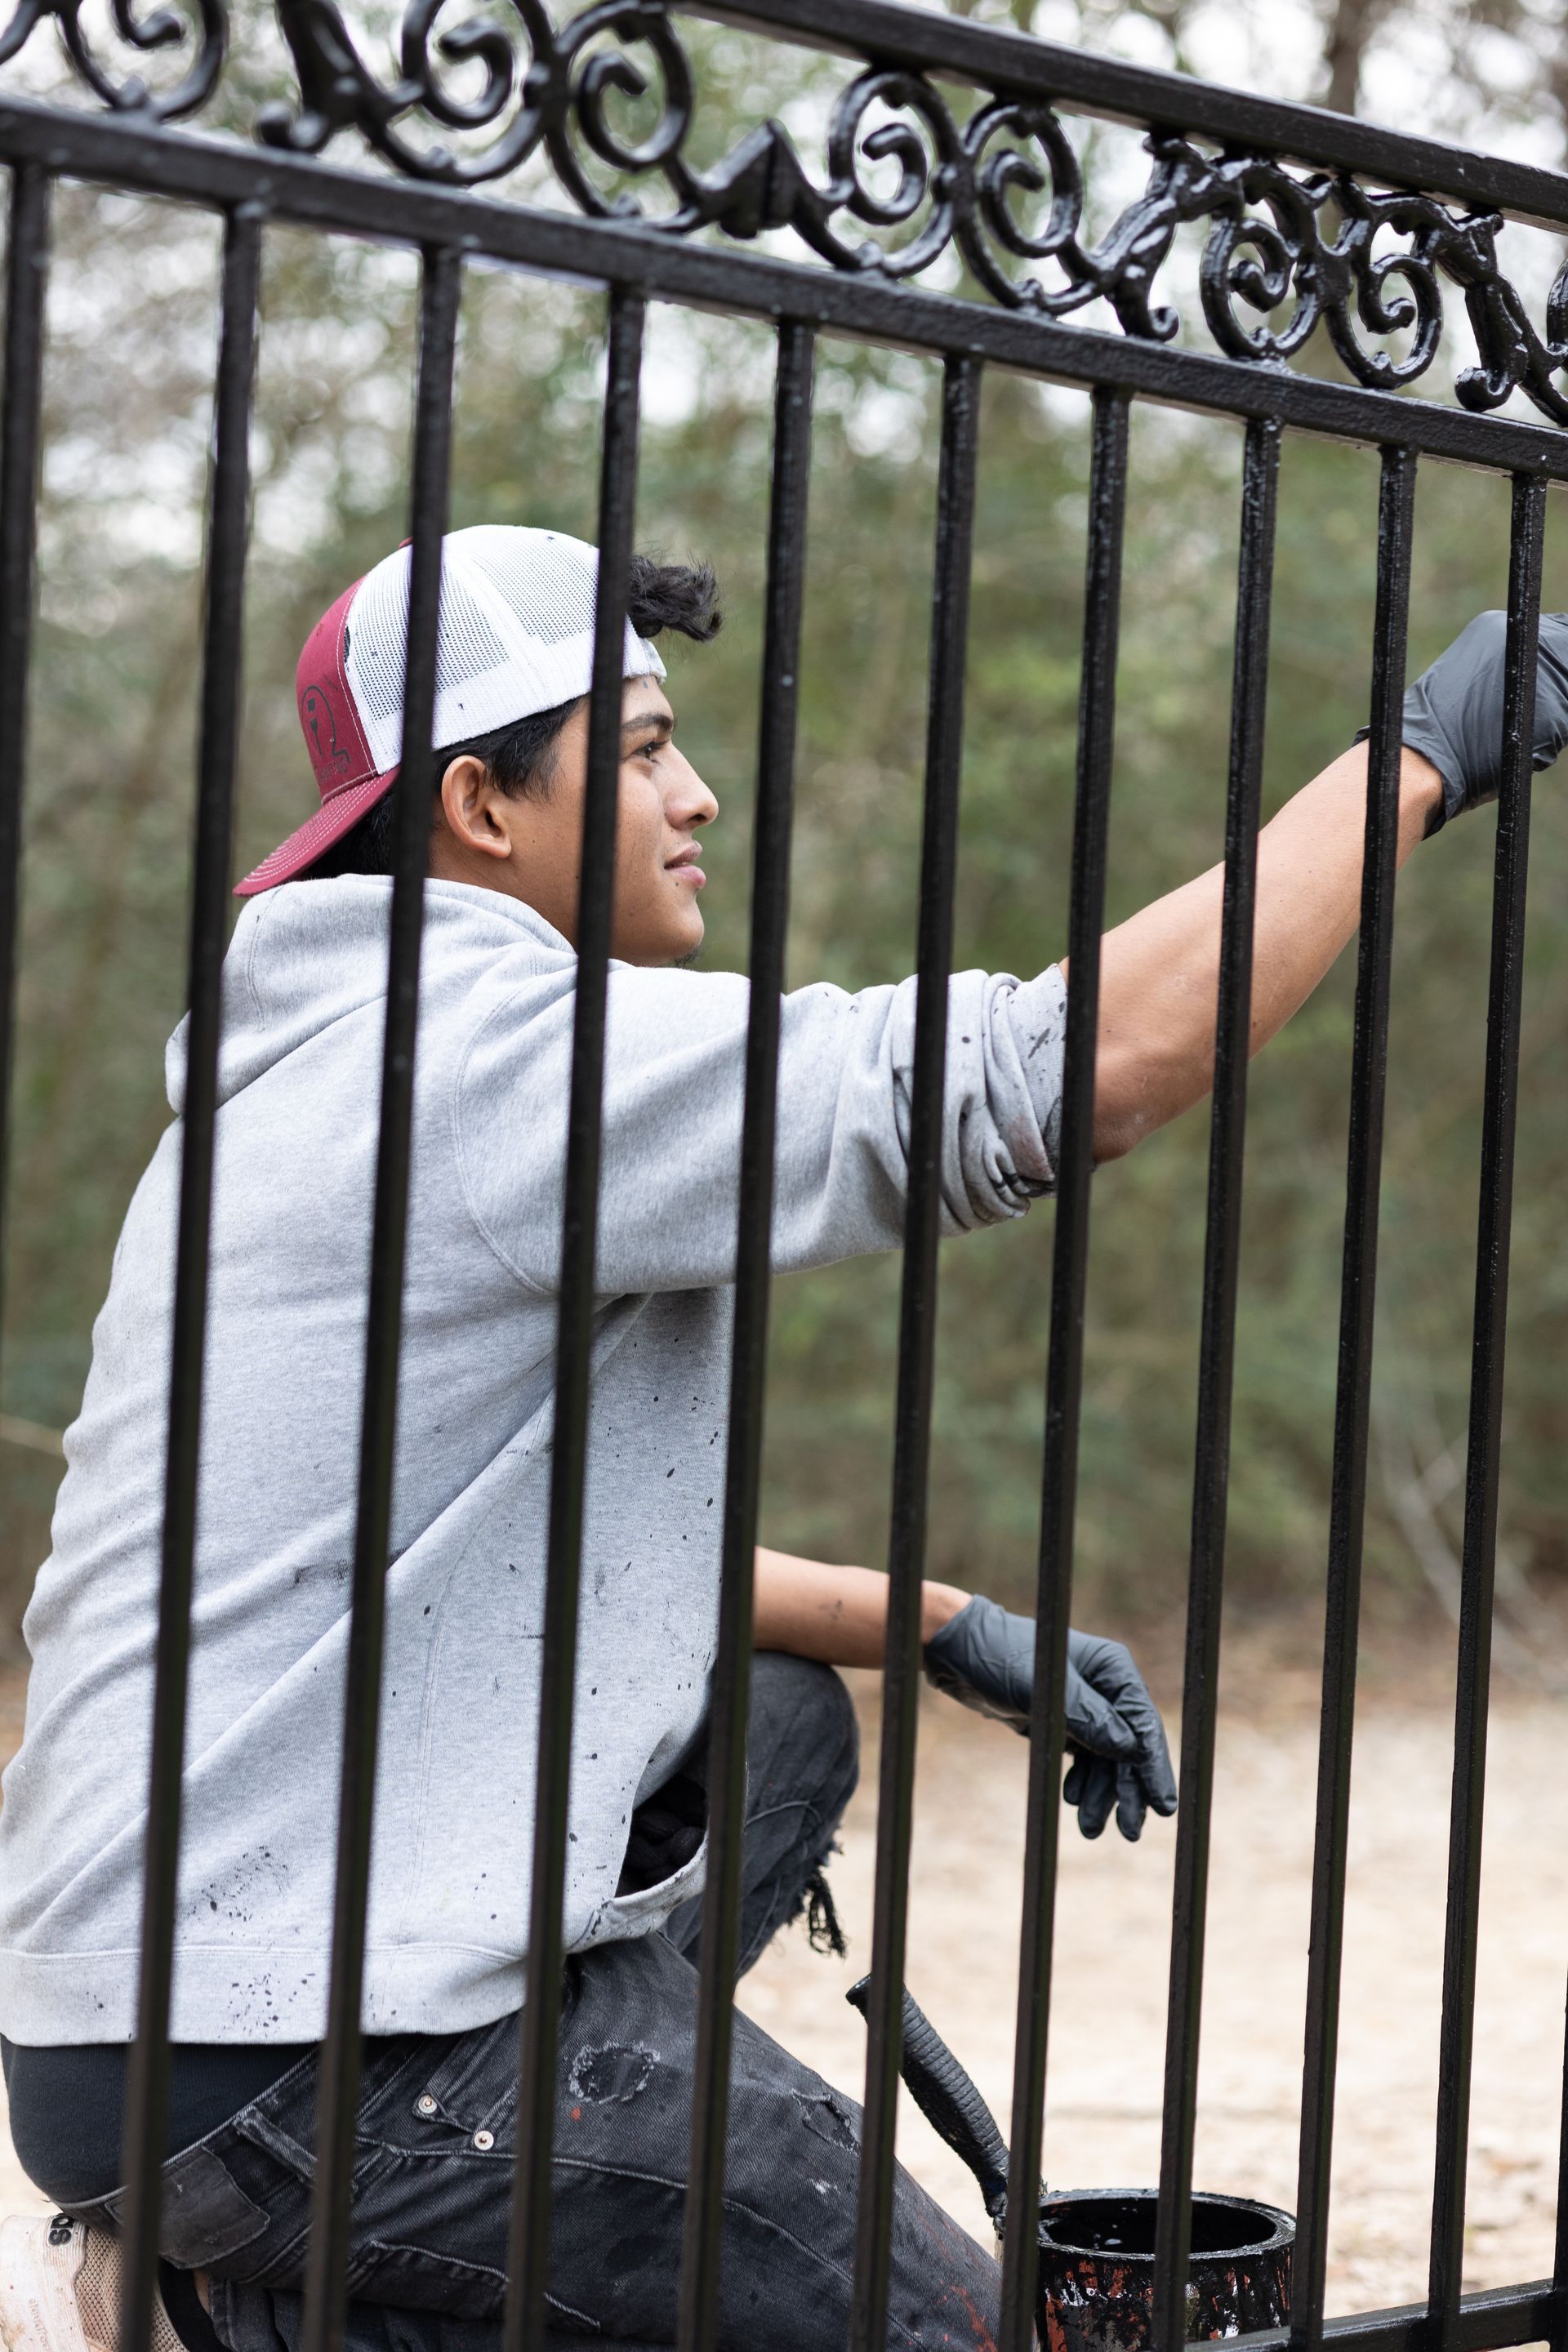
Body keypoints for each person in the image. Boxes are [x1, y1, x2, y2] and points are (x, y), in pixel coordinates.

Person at [0, 524, 1559, 2352]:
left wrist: (938, 1619)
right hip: (288, 2053)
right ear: (483, 809)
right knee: (961, 2334)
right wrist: (1424, 755)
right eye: (644, 748)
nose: (701, 793)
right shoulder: (491, 1059)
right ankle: (328, 2265)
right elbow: (1078, 1070)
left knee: (776, 1721)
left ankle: (399, 2276)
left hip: (169, 2012)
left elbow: (437, 1562)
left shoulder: (341, 1059)